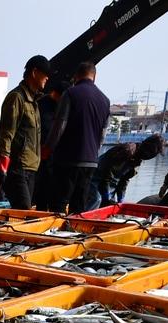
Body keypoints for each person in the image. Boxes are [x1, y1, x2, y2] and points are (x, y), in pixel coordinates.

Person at [44, 62, 112, 213]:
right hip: (90, 162)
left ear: (76, 75)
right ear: (94, 76)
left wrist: (47, 149)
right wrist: (93, 151)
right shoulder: (105, 100)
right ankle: (75, 233)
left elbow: (59, 126)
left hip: (67, 160)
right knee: (79, 204)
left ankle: (55, 234)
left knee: (59, 203)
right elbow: (103, 134)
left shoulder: (70, 94)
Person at [0, 55, 50, 210]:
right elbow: (7, 133)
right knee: (24, 212)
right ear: (34, 72)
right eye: (45, 73)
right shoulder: (17, 98)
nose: (47, 77)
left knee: (25, 213)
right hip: (18, 168)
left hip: (32, 168)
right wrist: (2, 165)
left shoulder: (34, 102)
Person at [94, 133, 163, 206]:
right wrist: (106, 196)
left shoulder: (137, 160)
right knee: (96, 200)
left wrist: (120, 199)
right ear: (144, 145)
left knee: (112, 206)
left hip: (109, 184)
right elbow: (107, 173)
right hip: (96, 177)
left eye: (153, 154)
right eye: (149, 151)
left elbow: (124, 180)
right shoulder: (127, 150)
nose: (149, 155)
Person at [33, 78, 67, 210]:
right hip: (42, 156)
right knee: (41, 194)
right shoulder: (40, 105)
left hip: (56, 158)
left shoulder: (63, 106)